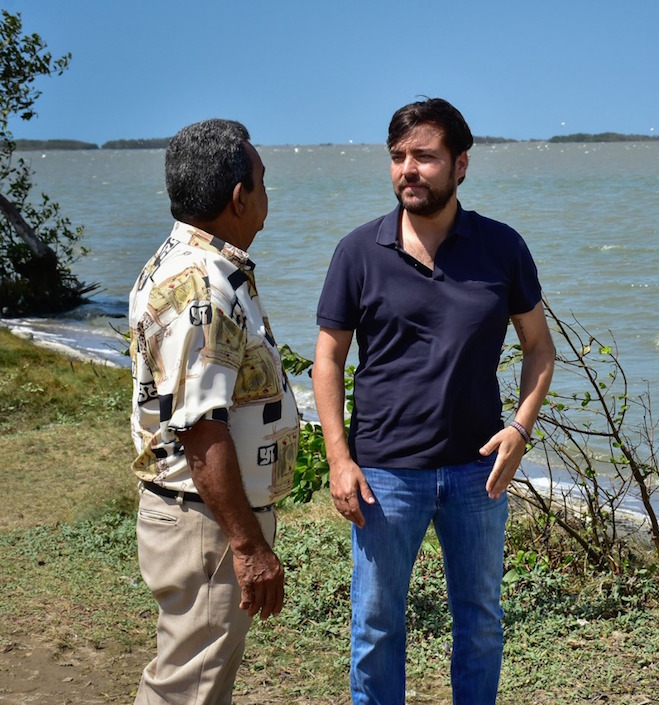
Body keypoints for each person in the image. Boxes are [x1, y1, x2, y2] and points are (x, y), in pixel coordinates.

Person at [313, 97, 555, 705]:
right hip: (384, 474)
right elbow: (329, 358)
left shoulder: (501, 248)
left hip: (479, 471)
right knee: (375, 625)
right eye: (397, 157)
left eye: (424, 156)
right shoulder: (358, 252)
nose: (407, 170)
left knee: (479, 625)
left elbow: (539, 349)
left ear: (461, 165)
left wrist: (520, 430)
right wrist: (340, 459)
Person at [129, 119, 300, 705]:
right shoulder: (201, 285)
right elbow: (201, 430)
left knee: (196, 682)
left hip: (204, 518)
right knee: (187, 691)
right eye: (262, 182)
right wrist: (249, 547)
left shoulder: (199, 266)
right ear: (238, 197)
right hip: (206, 523)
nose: (265, 197)